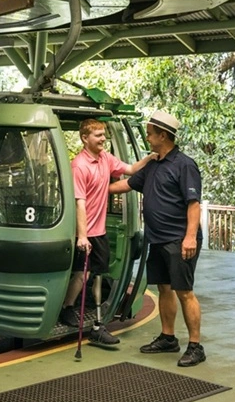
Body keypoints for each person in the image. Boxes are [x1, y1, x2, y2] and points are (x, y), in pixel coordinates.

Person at [108, 110, 206, 367]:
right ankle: (168, 337)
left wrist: (189, 238)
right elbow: (127, 185)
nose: (148, 138)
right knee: (163, 288)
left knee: (184, 292)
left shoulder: (184, 165)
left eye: (150, 134)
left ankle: (195, 345)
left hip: (179, 240)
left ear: (163, 135)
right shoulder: (153, 164)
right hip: (158, 239)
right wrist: (93, 188)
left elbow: (193, 204)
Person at [59, 118, 156, 346]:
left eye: (104, 134)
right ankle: (67, 307)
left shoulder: (105, 158)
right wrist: (82, 236)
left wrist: (150, 158)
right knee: (81, 275)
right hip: (84, 232)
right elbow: (79, 203)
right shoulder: (79, 166)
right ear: (85, 138)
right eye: (98, 135)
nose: (103, 139)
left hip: (100, 230)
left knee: (98, 275)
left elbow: (130, 169)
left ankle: (98, 321)